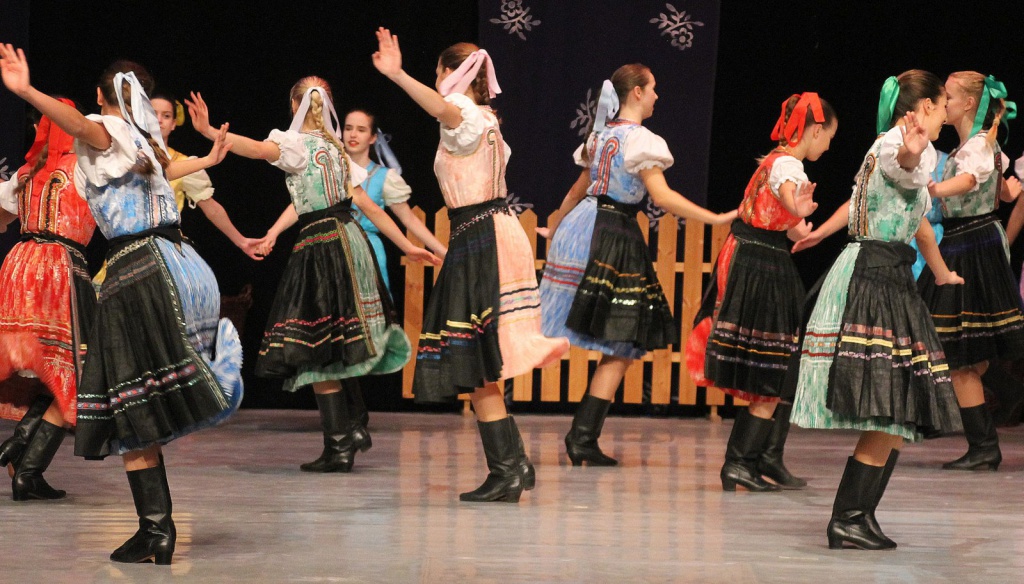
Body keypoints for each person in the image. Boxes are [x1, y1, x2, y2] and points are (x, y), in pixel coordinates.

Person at [186, 77, 439, 474]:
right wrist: (405, 245)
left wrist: (209, 132)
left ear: (294, 105)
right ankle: (349, 431)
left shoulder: (295, 144)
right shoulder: (336, 149)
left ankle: (340, 444)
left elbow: (257, 149)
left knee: (316, 344)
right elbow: (366, 206)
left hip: (321, 245)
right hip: (350, 241)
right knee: (336, 340)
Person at [373, 28, 569, 502]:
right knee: (479, 353)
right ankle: (514, 464)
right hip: (493, 230)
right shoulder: (487, 118)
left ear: (449, 73)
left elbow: (444, 109)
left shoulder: (462, 110)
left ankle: (507, 469)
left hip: (481, 234)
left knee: (472, 354)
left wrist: (398, 76)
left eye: (437, 72)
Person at [790, 70, 963, 550]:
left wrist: (942, 273)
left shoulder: (901, 148)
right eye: (941, 103)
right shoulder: (898, 145)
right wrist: (912, 150)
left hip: (886, 271)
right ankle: (848, 516)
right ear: (924, 107)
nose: (945, 112)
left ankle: (858, 514)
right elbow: (902, 165)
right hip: (874, 275)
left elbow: (910, 219)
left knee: (899, 410)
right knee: (889, 408)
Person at [539, 66, 735, 467]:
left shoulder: (600, 135)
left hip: (583, 226)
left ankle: (582, 436)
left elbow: (578, 189)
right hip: (612, 232)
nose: (657, 96)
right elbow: (661, 197)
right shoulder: (641, 139)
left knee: (619, 341)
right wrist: (714, 218)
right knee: (622, 341)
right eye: (653, 89)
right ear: (638, 93)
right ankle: (581, 436)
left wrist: (557, 224)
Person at [687, 92, 835, 491]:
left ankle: (761, 458)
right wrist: (797, 208)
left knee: (781, 359)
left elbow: (784, 216)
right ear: (816, 130)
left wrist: (800, 226)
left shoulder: (775, 160)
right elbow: (788, 195)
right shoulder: (789, 165)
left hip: (760, 254)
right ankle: (740, 462)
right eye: (828, 137)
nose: (828, 146)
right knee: (773, 363)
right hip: (758, 262)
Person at [917, 72, 1024, 471]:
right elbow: (1004, 191)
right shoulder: (976, 145)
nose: (942, 102)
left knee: (957, 349)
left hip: (972, 244)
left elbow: (967, 180)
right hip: (969, 239)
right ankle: (984, 440)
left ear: (967, 104)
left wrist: (932, 190)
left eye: (947, 96)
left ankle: (984, 446)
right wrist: (1005, 189)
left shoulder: (978, 145)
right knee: (964, 349)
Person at [0, 101, 96, 500]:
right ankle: (25, 458)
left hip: (19, 265)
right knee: (75, 371)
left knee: (49, 370)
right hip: (59, 268)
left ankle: (23, 455)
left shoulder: (26, 172)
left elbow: (1, 219)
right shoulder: (86, 167)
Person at [340, 108, 449, 429]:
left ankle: (354, 410)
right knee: (335, 330)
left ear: (373, 138)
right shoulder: (331, 169)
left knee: (360, 332)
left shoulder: (383, 178)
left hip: (366, 255)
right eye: (348, 128)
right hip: (332, 251)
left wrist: (441, 249)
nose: (353, 134)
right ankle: (346, 408)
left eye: (361, 129)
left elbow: (409, 219)